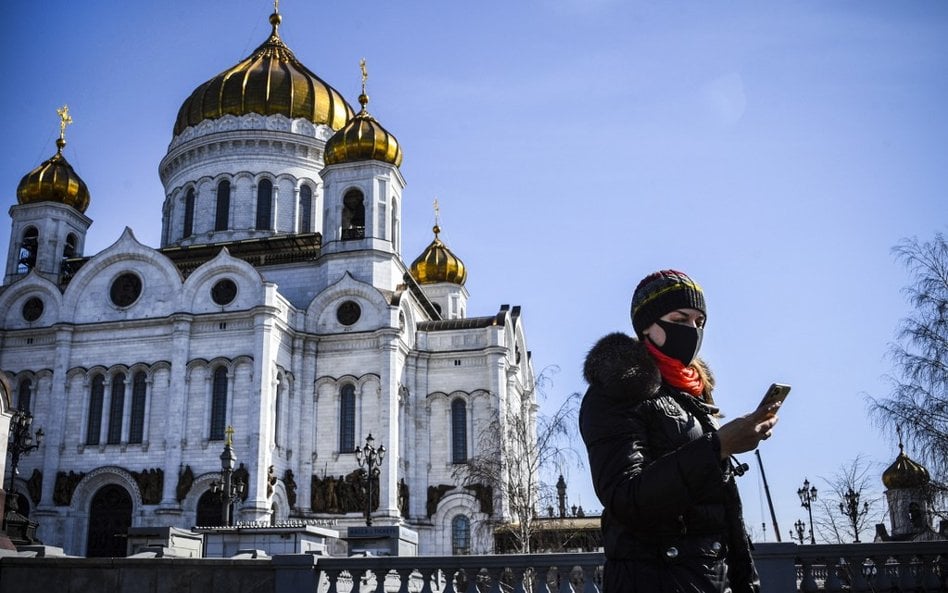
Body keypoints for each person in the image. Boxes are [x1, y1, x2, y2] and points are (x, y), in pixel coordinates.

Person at [580, 270, 778, 592]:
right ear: (647, 326)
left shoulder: (691, 395)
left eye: (700, 322)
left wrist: (746, 582)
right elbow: (624, 496)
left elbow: (723, 514)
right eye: (680, 318)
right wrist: (719, 446)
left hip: (713, 579)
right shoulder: (615, 389)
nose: (693, 330)